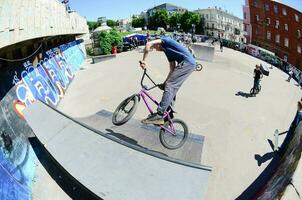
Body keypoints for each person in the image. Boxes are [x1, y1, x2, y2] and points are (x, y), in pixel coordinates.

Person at [139, 37, 196, 125]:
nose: (155, 49)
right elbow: (172, 69)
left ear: (158, 43)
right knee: (170, 86)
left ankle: (159, 114)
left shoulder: (166, 40)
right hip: (187, 64)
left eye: (155, 47)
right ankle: (168, 113)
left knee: (171, 85)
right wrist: (165, 83)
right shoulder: (167, 52)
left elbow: (148, 44)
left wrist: (144, 61)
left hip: (187, 63)